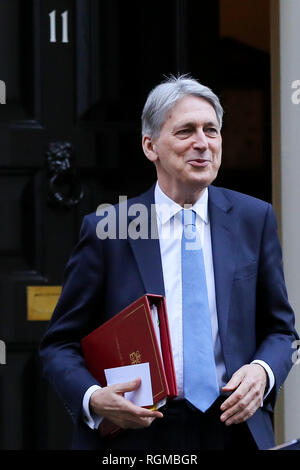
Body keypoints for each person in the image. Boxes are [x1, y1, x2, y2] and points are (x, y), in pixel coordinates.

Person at [39, 75, 298, 451]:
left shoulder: (253, 219)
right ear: (150, 146)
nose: (202, 143)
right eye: (186, 131)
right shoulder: (109, 230)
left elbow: (282, 332)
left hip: (233, 428)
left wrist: (264, 372)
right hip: (138, 434)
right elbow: (59, 344)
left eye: (212, 130)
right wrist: (94, 397)